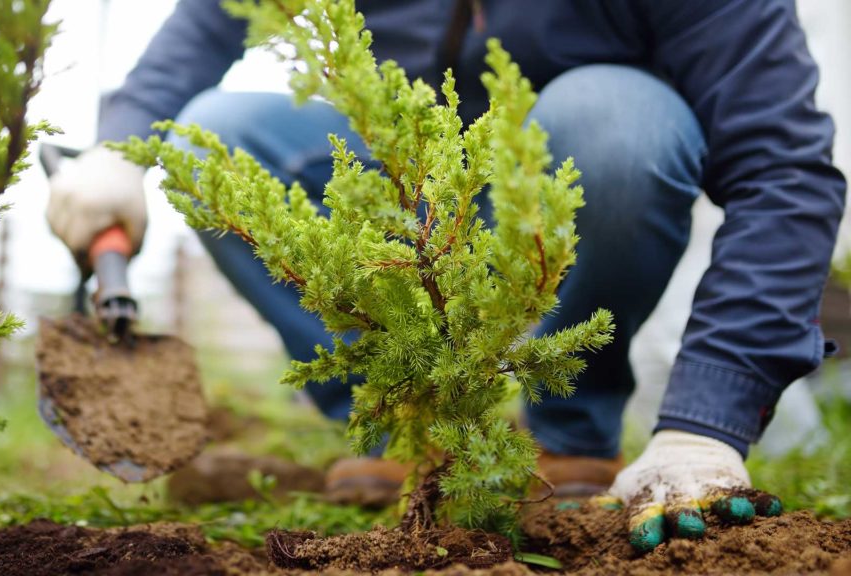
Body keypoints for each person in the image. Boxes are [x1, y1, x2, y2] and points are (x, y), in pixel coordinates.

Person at [46, 0, 846, 551]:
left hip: (568, 189)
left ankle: (567, 430)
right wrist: (117, 143)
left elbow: (784, 169)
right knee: (202, 138)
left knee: (615, 119)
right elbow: (210, 21)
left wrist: (707, 420)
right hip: (407, 194)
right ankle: (401, 417)